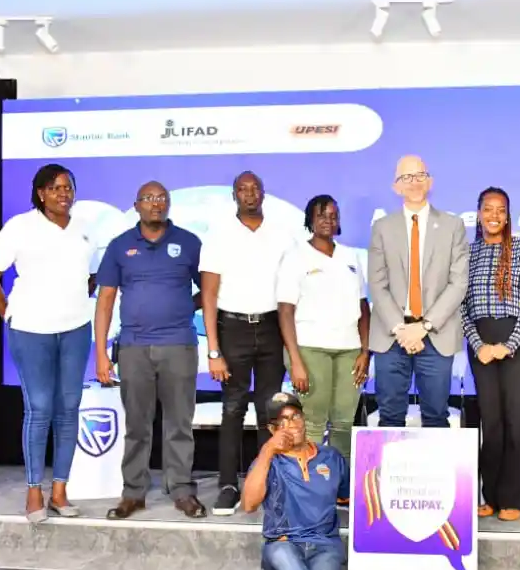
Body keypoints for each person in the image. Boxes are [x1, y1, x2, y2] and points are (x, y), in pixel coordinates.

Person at [0, 164, 95, 522]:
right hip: (30, 330)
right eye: (56, 188)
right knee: (39, 408)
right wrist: (9, 314)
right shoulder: (20, 227)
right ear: (41, 193)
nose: (64, 194)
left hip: (75, 329)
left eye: (69, 187)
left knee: (69, 408)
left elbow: (88, 279)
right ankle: (33, 492)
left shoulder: (84, 229)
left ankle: (60, 491)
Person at [93, 182, 207, 520]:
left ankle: (182, 491)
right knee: (137, 425)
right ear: (136, 205)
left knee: (179, 424)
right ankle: (133, 493)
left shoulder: (189, 242)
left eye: (162, 199)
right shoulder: (120, 246)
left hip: (179, 345)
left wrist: (186, 307)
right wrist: (101, 352)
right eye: (149, 199)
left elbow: (211, 289)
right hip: (133, 347)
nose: (156, 204)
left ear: (168, 204)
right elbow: (105, 301)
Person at [200, 171, 296, 516]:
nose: (250, 194)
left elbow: (289, 296)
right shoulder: (219, 235)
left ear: (264, 193)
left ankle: (265, 482)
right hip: (233, 328)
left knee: (269, 412)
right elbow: (208, 295)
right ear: (234, 195)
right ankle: (228, 485)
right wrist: (213, 350)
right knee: (232, 408)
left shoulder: (282, 236)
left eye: (255, 188)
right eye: (243, 189)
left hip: (271, 327)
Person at [240, 392, 371, 570]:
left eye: (296, 416)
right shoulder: (268, 462)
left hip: (325, 544)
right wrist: (267, 451)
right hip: (283, 543)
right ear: (272, 429)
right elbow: (248, 504)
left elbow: (350, 495)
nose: (292, 424)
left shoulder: (330, 457)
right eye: (283, 421)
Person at [367, 155, 469, 427]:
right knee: (390, 417)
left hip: (436, 334)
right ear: (396, 187)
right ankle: (386, 472)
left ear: (430, 181)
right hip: (392, 336)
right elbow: (377, 283)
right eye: (406, 177)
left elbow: (458, 282)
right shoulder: (382, 228)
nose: (414, 182)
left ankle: (436, 472)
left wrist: (423, 326)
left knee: (436, 416)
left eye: (419, 175)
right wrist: (402, 329)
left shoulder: (452, 226)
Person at [461, 187, 520, 522]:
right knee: (490, 424)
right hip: (481, 343)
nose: (494, 216)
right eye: (487, 209)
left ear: (508, 215)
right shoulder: (467, 253)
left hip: (518, 343)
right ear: (478, 213)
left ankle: (513, 498)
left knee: (516, 420)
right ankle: (490, 495)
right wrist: (479, 345)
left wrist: (507, 345)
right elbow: (460, 307)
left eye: (501, 210)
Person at [277, 195, 371, 460]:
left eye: (332, 215)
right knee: (314, 421)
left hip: (350, 350)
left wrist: (365, 351)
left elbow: (363, 307)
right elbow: (285, 311)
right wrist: (295, 360)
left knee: (343, 422)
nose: (328, 220)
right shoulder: (295, 256)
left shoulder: (350, 256)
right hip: (310, 348)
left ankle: (339, 484)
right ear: (310, 220)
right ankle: (311, 483)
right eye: (321, 215)